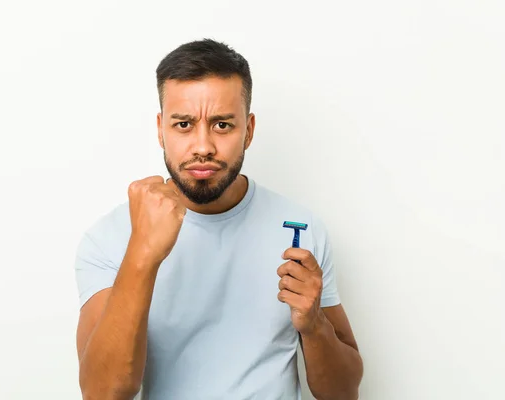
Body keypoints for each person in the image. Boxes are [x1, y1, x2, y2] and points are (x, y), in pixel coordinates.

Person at [74, 38, 363, 400]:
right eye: (183, 124)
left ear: (249, 130)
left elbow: (344, 392)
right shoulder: (110, 238)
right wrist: (142, 255)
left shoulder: (300, 231)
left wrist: (315, 324)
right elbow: (102, 393)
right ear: (161, 129)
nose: (203, 146)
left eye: (222, 125)